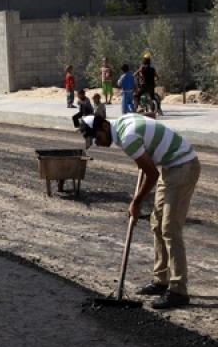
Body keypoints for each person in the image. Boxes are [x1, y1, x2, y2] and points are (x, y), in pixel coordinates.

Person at [78, 114, 200, 309]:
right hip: (170, 167)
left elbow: (152, 174)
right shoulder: (123, 123)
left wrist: (136, 202)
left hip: (183, 166)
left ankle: (178, 291)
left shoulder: (127, 137)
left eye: (98, 138)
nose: (99, 144)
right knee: (157, 224)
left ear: (104, 126)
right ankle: (161, 281)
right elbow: (147, 129)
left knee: (169, 228)